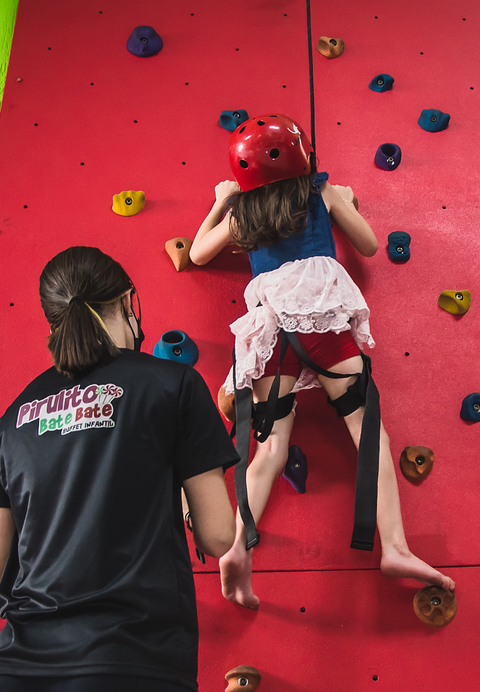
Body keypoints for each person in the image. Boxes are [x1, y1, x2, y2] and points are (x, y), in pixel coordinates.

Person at [0, 246, 238, 692]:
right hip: (131, 667)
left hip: (17, 679)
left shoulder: (11, 420)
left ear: (54, 321)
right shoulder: (173, 385)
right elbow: (218, 536)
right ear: (125, 304)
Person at [189, 113, 455, 610]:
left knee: (268, 453)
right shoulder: (320, 193)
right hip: (321, 325)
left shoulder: (241, 211)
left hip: (270, 332)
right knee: (369, 433)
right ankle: (394, 546)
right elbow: (371, 245)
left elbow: (200, 254)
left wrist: (221, 200)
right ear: (302, 155)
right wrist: (346, 202)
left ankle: (236, 547)